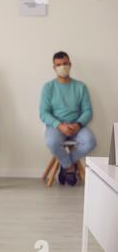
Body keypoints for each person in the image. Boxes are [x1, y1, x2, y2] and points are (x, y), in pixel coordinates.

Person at [39, 51, 96, 186]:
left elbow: (88, 111)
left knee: (90, 141)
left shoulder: (80, 87)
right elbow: (43, 113)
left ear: (70, 64)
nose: (62, 67)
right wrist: (59, 125)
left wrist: (77, 124)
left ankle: (65, 165)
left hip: (77, 125)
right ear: (54, 67)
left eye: (65, 64)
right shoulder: (48, 87)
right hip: (56, 126)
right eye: (58, 65)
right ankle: (70, 167)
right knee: (51, 142)